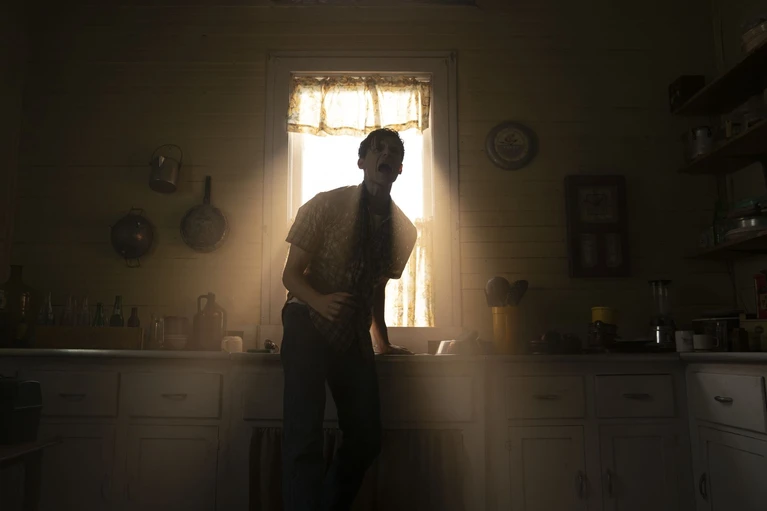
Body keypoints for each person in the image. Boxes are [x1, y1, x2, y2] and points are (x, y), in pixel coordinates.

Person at [280, 127, 418, 511]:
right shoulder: (325, 205)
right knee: (303, 436)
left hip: (352, 333)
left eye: (393, 152)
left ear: (400, 168)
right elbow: (290, 275)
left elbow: (376, 289)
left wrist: (382, 342)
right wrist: (319, 302)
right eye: (377, 150)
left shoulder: (404, 230)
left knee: (367, 437)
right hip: (306, 322)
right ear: (362, 162)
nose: (385, 155)